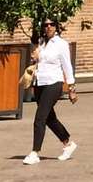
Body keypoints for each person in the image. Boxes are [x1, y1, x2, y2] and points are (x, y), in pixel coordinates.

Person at [24, 19, 78, 165]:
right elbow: (37, 61)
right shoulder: (41, 42)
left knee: (40, 118)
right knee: (49, 118)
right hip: (40, 83)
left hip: (54, 83)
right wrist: (34, 59)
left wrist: (71, 88)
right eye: (45, 24)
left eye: (51, 24)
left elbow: (67, 66)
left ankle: (35, 152)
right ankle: (68, 144)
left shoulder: (61, 44)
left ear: (56, 27)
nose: (48, 27)